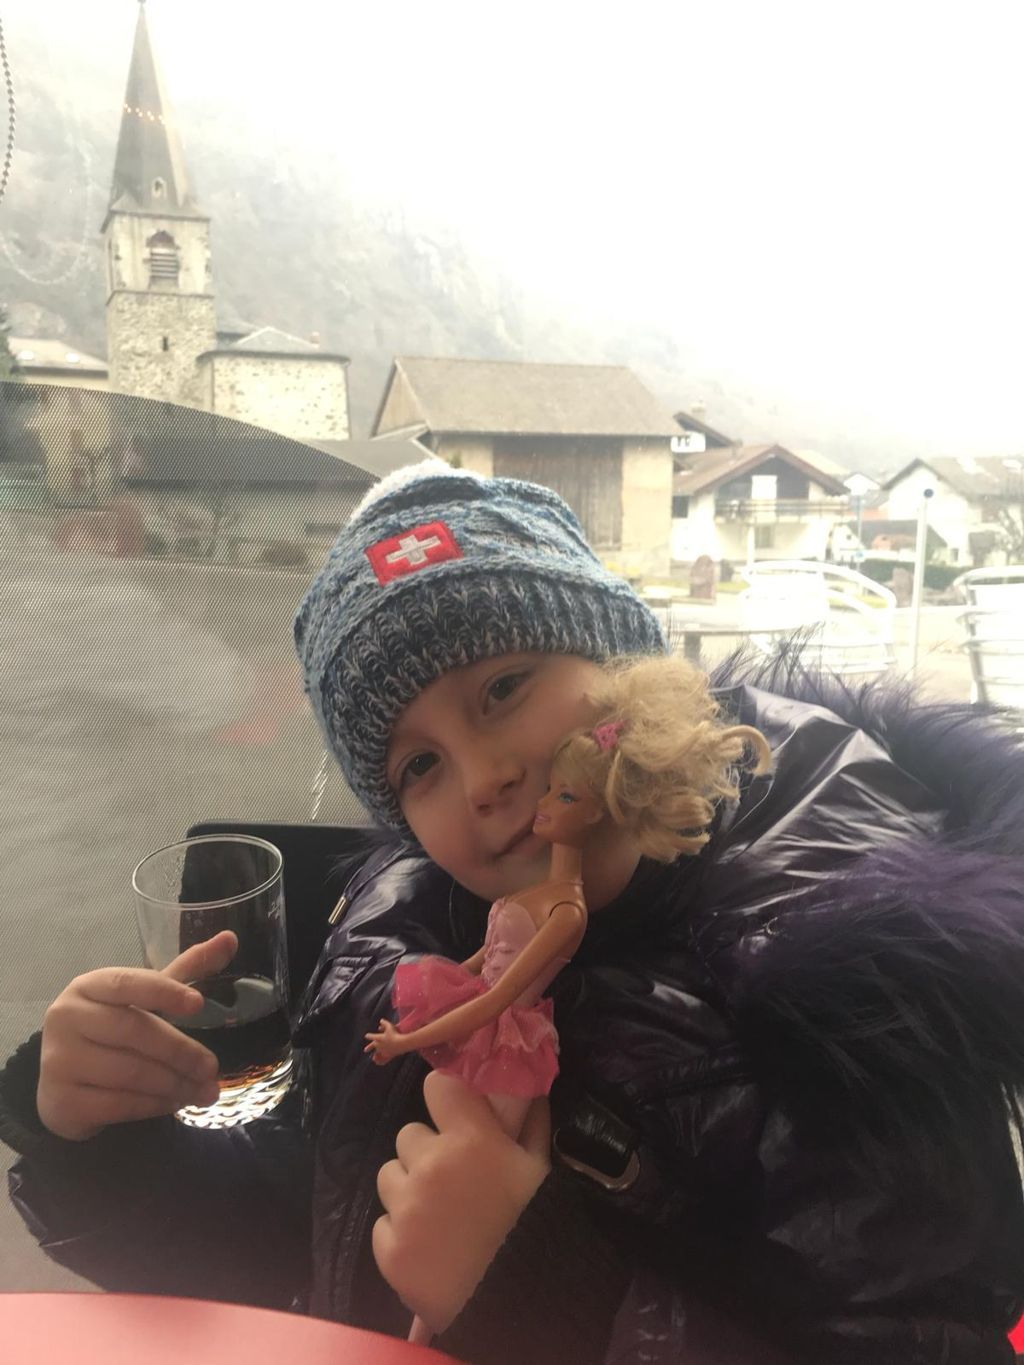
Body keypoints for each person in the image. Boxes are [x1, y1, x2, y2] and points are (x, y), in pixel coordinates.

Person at [2, 457, 1024, 1364]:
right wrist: (99, 1138)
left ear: (624, 660)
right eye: (419, 766)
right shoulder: (416, 927)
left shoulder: (850, 978)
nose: (483, 778)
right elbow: (319, 1233)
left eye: (503, 688)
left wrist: (541, 1294)